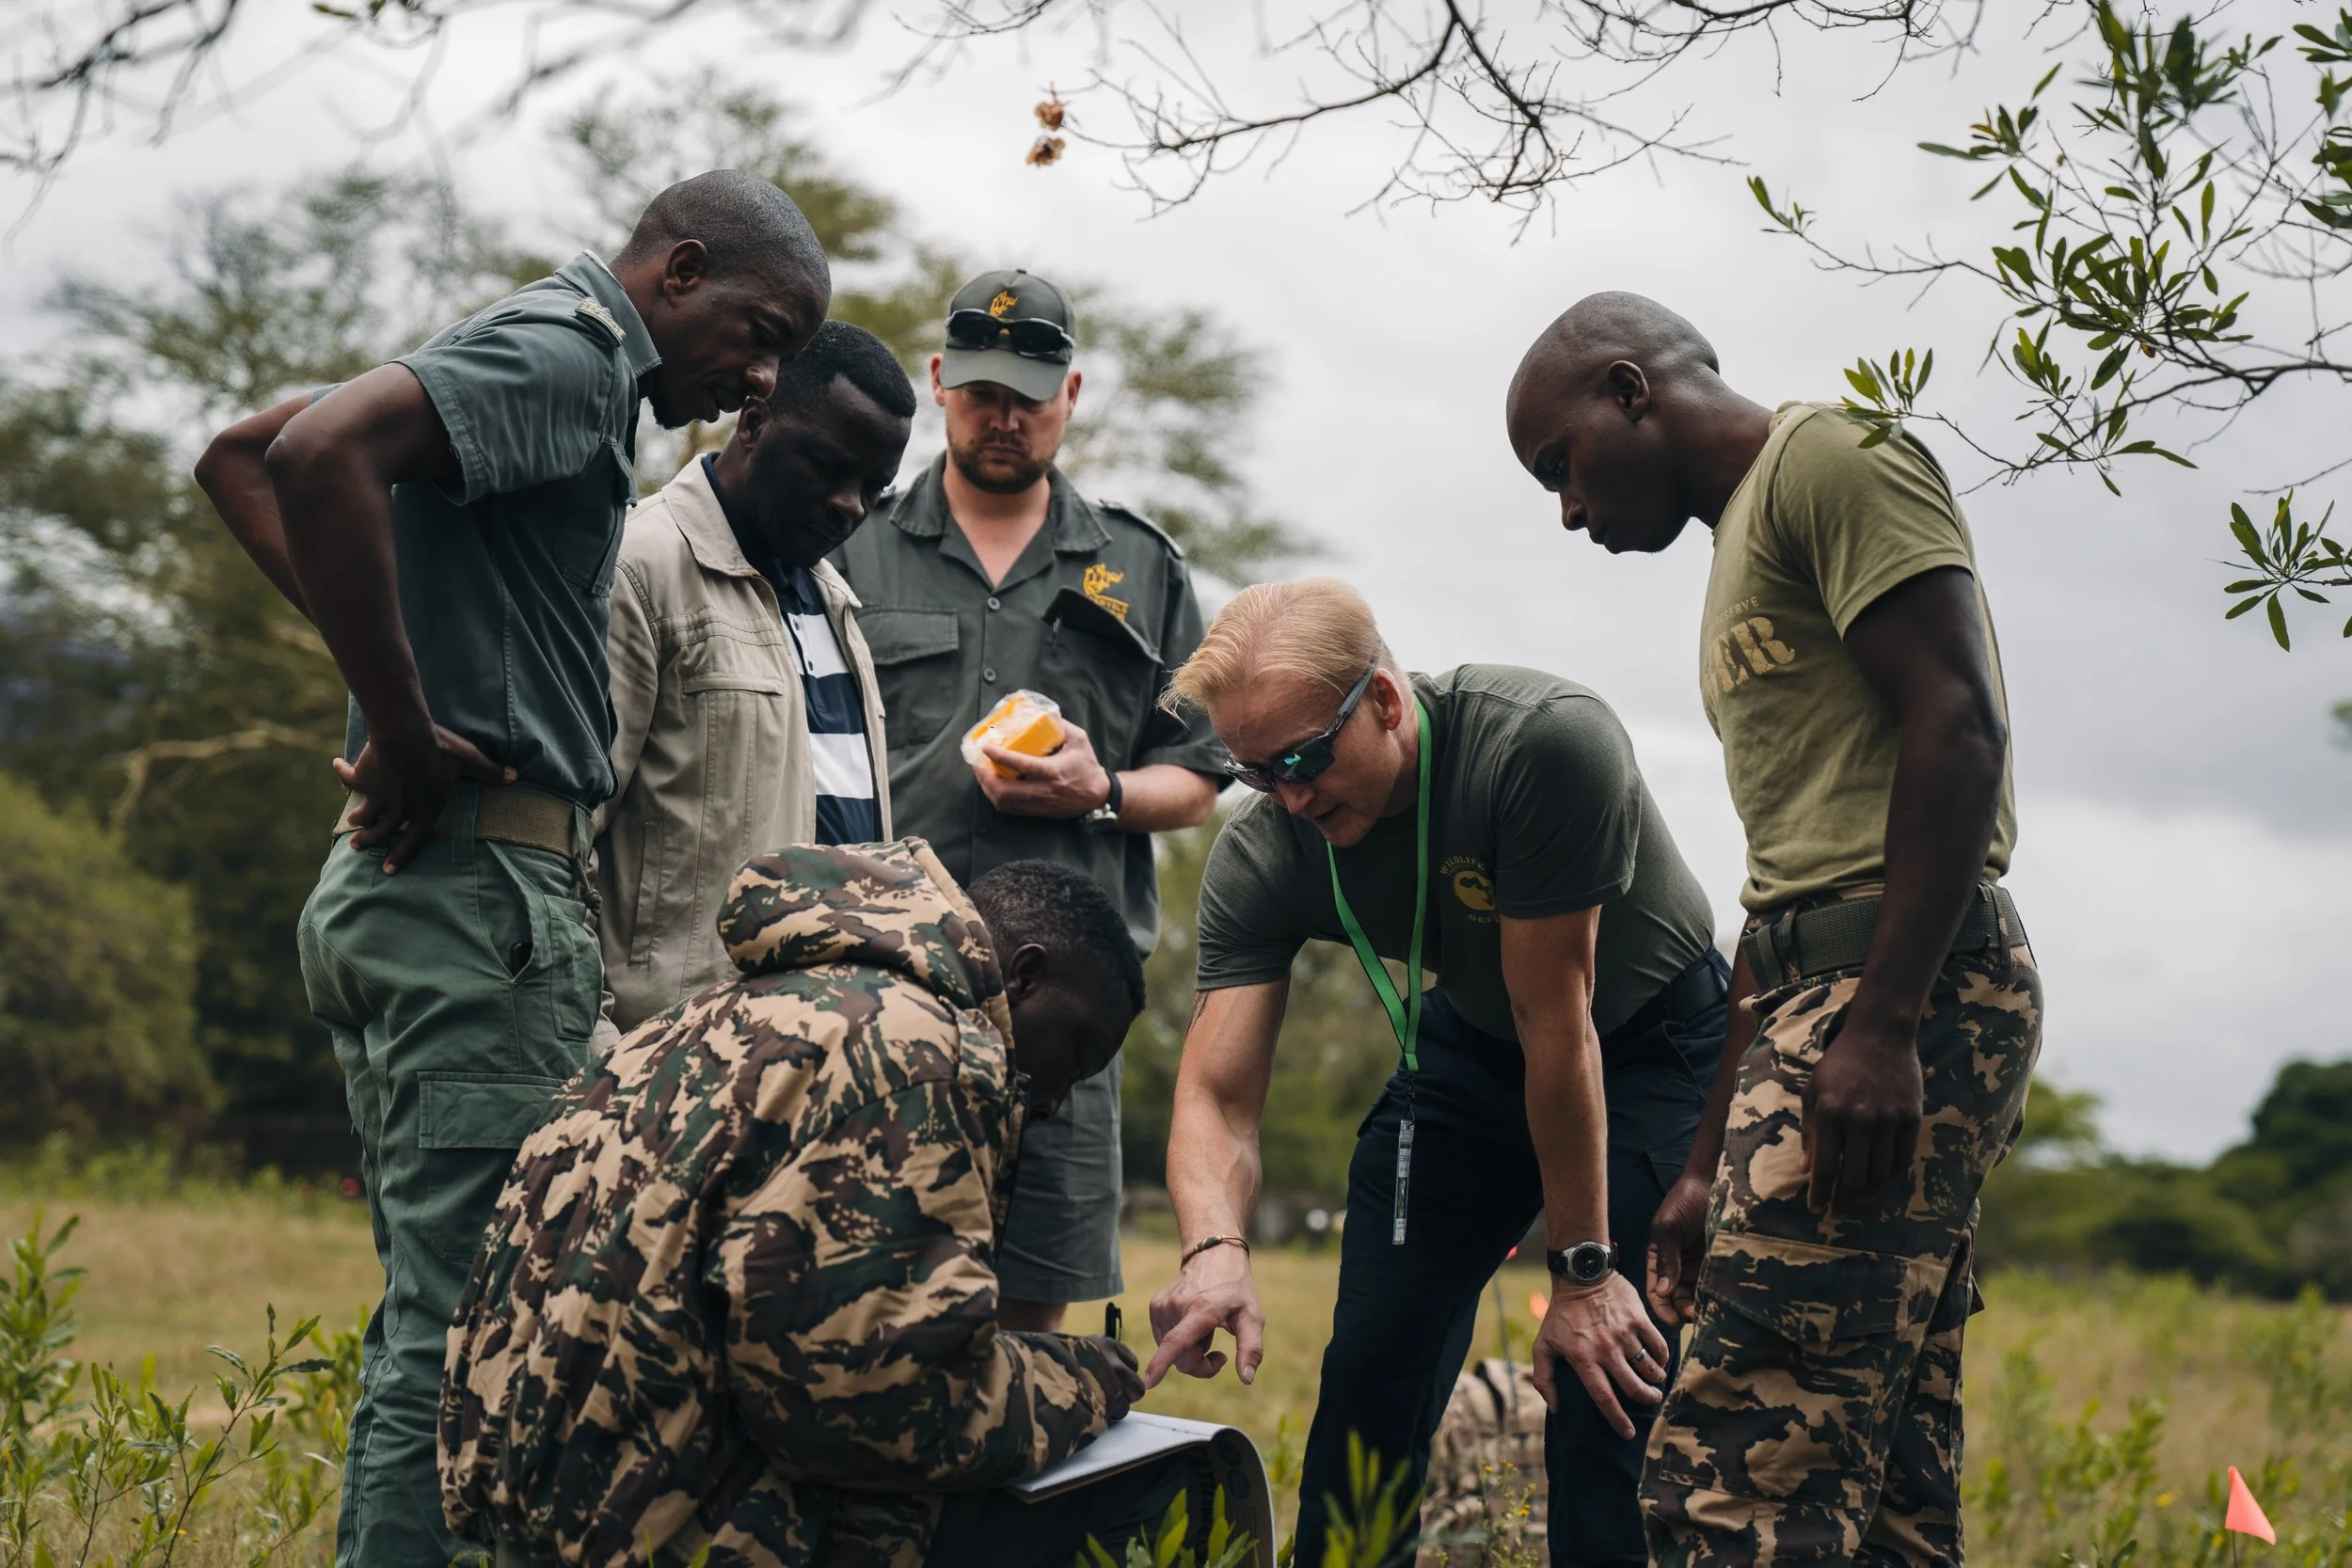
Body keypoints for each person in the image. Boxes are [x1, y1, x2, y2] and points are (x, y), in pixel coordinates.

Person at [193, 169, 832, 1568]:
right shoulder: (576, 353)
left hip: (441, 895)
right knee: (485, 1314)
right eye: (762, 328)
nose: (763, 376)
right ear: (681, 267)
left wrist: (398, 666)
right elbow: (303, 461)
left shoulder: (554, 353)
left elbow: (245, 451)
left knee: (444, 1303)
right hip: (475, 894)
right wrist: (402, 717)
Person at [1504, 293, 2040, 1566]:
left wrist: (1888, 1020)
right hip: (1814, 999)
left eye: (1560, 465)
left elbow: (1956, 720)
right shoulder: (1738, 547)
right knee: (1886, 1475)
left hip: (1893, 993)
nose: (1568, 510)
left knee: (1737, 1470)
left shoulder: (1831, 461)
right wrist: (1701, 1159)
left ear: (1631, 390)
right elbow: (1783, 879)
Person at [1143, 578, 1729, 1566]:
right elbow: (1215, 1091)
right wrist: (1212, 1247)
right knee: (1375, 1361)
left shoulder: (1540, 745)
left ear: (1381, 699)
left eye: (1300, 758)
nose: (1286, 795)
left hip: (1644, 1047)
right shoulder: (1265, 847)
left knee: (1606, 1378)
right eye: (1252, 771)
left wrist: (1583, 1271)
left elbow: (1560, 1021)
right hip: (1468, 1046)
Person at [439, 843, 1154, 1567]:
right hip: (676, 1535)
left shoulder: (719, 1011)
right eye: (1079, 1053)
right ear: (1026, 974)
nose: (1058, 1101)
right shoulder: (922, 1052)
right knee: (1150, 1491)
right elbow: (883, 1413)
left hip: (551, 1520)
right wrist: (1089, 1377)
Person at [833, 268, 1225, 1332]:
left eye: (1028, 394)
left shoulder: (1139, 568)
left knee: (1029, 1317)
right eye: (979, 391)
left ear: (1073, 393)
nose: (1002, 416)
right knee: (856, 1298)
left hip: (1057, 1022)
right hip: (876, 995)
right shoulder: (846, 546)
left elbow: (1198, 777)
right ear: (938, 382)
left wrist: (1103, 790)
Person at [596, 321, 915, 1031]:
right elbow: (559, 848)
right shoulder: (640, 569)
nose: (851, 505)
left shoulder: (835, 603)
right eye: (829, 467)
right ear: (756, 419)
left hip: (818, 1064)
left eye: (873, 486)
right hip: (665, 1076)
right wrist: (596, 1055)